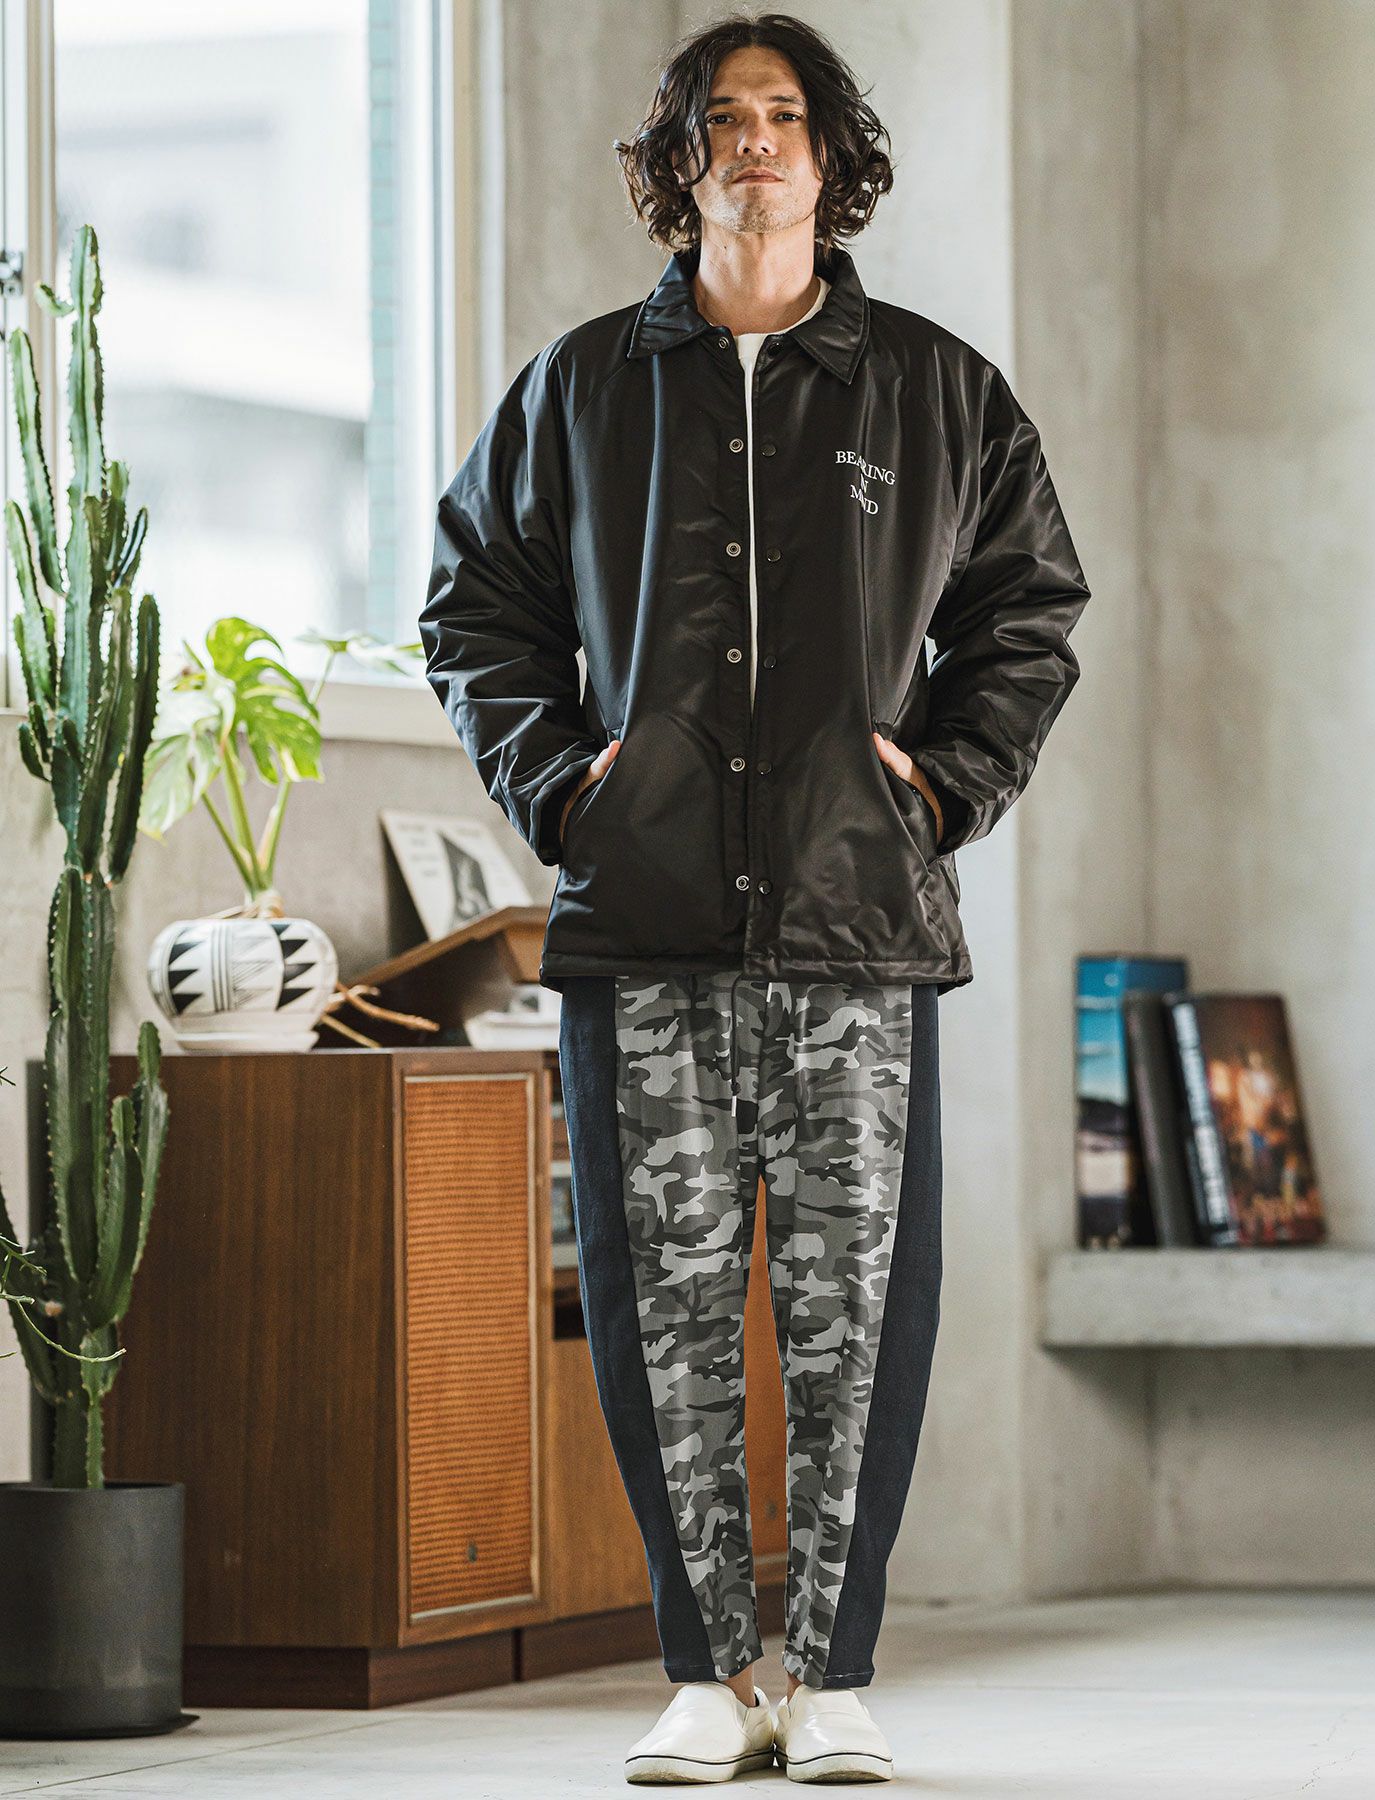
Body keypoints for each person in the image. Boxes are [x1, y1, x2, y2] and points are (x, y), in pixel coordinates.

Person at [420, 10, 1090, 1784]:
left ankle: (838, 1676)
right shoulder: (583, 387)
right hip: (644, 926)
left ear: (832, 157)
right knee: (668, 1313)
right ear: (679, 161)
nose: (755, 142)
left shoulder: (935, 389)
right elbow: (475, 603)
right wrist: (565, 788)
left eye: (786, 115)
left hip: (857, 930)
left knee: (856, 1309)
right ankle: (710, 1676)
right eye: (722, 118)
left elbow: (1031, 607)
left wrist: (942, 783)